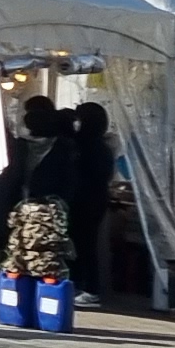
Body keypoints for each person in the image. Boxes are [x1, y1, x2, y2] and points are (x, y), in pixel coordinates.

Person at [55, 101, 122, 303]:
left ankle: (89, 287)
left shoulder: (86, 145)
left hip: (85, 199)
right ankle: (82, 285)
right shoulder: (102, 145)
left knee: (83, 244)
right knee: (84, 243)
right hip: (96, 199)